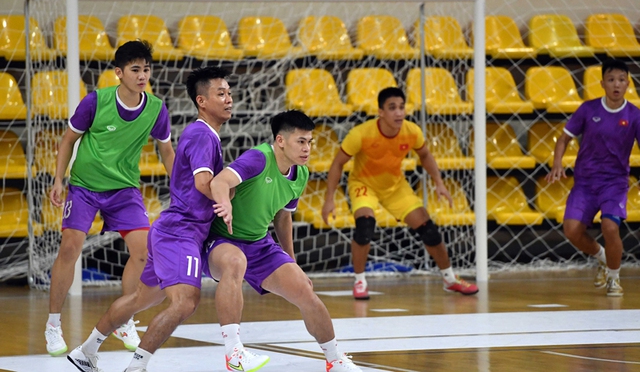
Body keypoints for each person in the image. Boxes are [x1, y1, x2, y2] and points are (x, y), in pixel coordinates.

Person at [66, 66, 232, 372]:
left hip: (171, 230)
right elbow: (203, 184)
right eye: (220, 93)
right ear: (202, 101)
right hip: (180, 234)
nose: (229, 99)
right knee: (185, 301)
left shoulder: (206, 135)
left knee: (140, 299)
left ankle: (86, 351)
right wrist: (229, 197)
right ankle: (137, 366)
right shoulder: (201, 135)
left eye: (229, 92)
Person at [203, 110, 362, 372]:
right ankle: (233, 353)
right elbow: (219, 181)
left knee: (305, 290)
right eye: (301, 141)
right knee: (234, 262)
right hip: (221, 239)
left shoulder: (300, 175)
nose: (307, 148)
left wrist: (290, 259)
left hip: (259, 243)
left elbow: (283, 217)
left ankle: (335, 359)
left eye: (310, 142)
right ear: (280, 140)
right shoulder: (258, 158)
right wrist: (225, 206)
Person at [45, 40, 175, 356]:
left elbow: (167, 151)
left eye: (146, 69)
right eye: (135, 70)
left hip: (124, 191)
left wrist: (182, 189)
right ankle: (53, 324)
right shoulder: (95, 101)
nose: (142, 75)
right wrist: (58, 179)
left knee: (144, 252)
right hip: (84, 188)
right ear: (118, 73)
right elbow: (67, 140)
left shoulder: (157, 109)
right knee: (70, 247)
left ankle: (125, 317)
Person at [321, 87, 478, 300]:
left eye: (401, 107)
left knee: (429, 230)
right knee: (365, 227)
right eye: (392, 108)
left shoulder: (412, 131)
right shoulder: (360, 134)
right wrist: (329, 199)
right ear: (381, 112)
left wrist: (439, 183)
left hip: (396, 187)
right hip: (364, 185)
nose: (398, 112)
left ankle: (450, 280)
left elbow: (425, 155)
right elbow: (337, 163)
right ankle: (360, 281)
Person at [546, 59, 640, 297]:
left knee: (610, 227)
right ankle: (601, 257)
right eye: (611, 80)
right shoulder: (588, 109)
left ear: (628, 84)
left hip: (614, 183)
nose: (616, 84)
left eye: (621, 80)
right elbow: (564, 138)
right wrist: (557, 163)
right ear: (602, 84)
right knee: (571, 231)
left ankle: (614, 278)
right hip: (585, 182)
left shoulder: (634, 115)